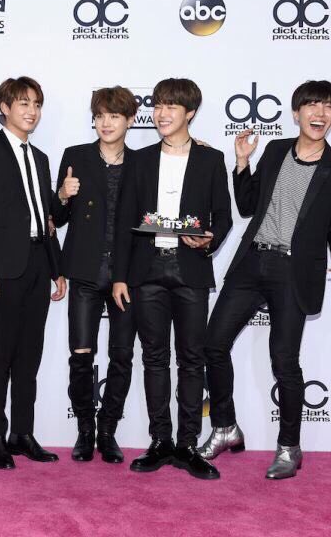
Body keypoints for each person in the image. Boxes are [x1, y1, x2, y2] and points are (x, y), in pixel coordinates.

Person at [200, 80, 331, 479]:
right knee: (213, 343)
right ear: (296, 113)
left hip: (293, 272)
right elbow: (247, 206)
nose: (320, 113)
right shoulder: (277, 150)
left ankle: (289, 447)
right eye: (312, 105)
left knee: (284, 360)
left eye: (328, 107)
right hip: (251, 261)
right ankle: (225, 428)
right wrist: (242, 162)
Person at [113, 78, 232, 480]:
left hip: (190, 271)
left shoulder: (210, 159)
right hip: (146, 272)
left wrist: (209, 240)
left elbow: (223, 216)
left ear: (190, 113)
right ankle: (160, 441)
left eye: (171, 107)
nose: (161, 114)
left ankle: (188, 444)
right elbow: (124, 220)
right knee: (154, 358)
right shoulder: (140, 160)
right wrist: (119, 277)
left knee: (192, 359)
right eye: (158, 105)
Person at [0, 76, 66, 469]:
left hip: (39, 262)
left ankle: (22, 433)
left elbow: (45, 217)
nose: (31, 111)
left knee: (30, 355)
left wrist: (56, 268)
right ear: (4, 107)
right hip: (2, 268)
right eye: (23, 103)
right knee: (1, 353)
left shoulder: (40, 158)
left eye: (36, 104)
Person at [52, 86, 138, 463]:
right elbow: (57, 218)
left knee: (122, 356)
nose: (106, 122)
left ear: (130, 120)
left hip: (127, 275)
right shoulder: (76, 156)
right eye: (100, 115)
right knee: (81, 355)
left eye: (114, 115)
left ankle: (108, 431)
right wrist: (62, 194)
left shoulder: (143, 162)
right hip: (86, 271)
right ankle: (85, 430)